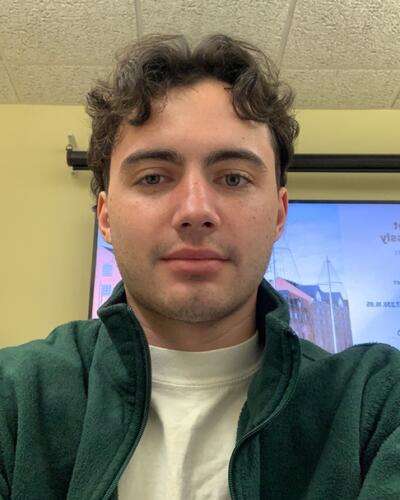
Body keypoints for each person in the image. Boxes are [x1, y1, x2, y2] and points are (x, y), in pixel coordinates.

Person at [0, 34, 399, 500]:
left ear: (278, 214)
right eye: (153, 177)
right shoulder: (15, 396)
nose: (195, 210)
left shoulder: (374, 405)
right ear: (105, 217)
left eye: (233, 178)